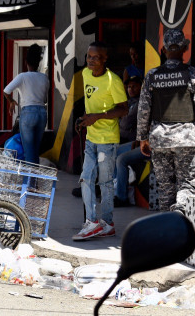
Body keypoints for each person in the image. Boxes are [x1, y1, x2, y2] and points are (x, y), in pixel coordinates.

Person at [136, 29, 195, 214]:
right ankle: (182, 215)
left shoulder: (152, 75)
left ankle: (168, 231)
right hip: (187, 140)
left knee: (165, 189)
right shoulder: (193, 74)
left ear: (163, 50)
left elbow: (143, 109)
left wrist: (142, 137)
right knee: (187, 186)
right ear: (184, 49)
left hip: (159, 140)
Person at [73, 41, 128, 241]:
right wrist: (84, 119)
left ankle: (107, 224)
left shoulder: (113, 80)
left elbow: (124, 108)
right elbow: (89, 102)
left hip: (107, 140)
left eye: (96, 58)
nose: (91, 60)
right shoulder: (85, 74)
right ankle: (92, 222)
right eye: (89, 56)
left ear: (105, 60)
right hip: (90, 138)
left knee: (105, 182)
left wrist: (98, 116)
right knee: (86, 177)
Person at [3, 44, 50, 165]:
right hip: (42, 114)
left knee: (29, 151)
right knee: (35, 150)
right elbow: (44, 99)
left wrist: (12, 102)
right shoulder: (45, 78)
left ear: (26, 62)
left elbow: (6, 91)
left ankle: (29, 183)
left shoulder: (22, 76)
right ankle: (33, 181)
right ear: (39, 63)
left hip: (28, 113)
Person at [114, 76, 147, 207]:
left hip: (141, 142)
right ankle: (112, 190)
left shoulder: (141, 103)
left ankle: (121, 197)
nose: (131, 89)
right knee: (111, 152)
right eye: (129, 87)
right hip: (130, 139)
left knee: (121, 159)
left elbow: (126, 121)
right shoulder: (129, 102)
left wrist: (121, 117)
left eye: (134, 86)